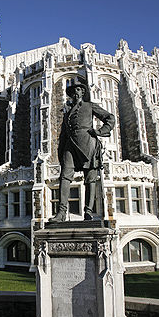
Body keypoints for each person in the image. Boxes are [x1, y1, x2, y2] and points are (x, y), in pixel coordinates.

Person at [49, 83, 115, 222]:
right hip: (70, 144)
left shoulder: (90, 106)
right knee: (64, 176)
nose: (75, 92)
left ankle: (88, 211)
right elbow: (63, 133)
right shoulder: (67, 112)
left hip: (88, 143)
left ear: (83, 92)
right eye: (73, 91)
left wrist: (100, 132)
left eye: (78, 90)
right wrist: (60, 151)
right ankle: (61, 213)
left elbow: (110, 118)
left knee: (90, 178)